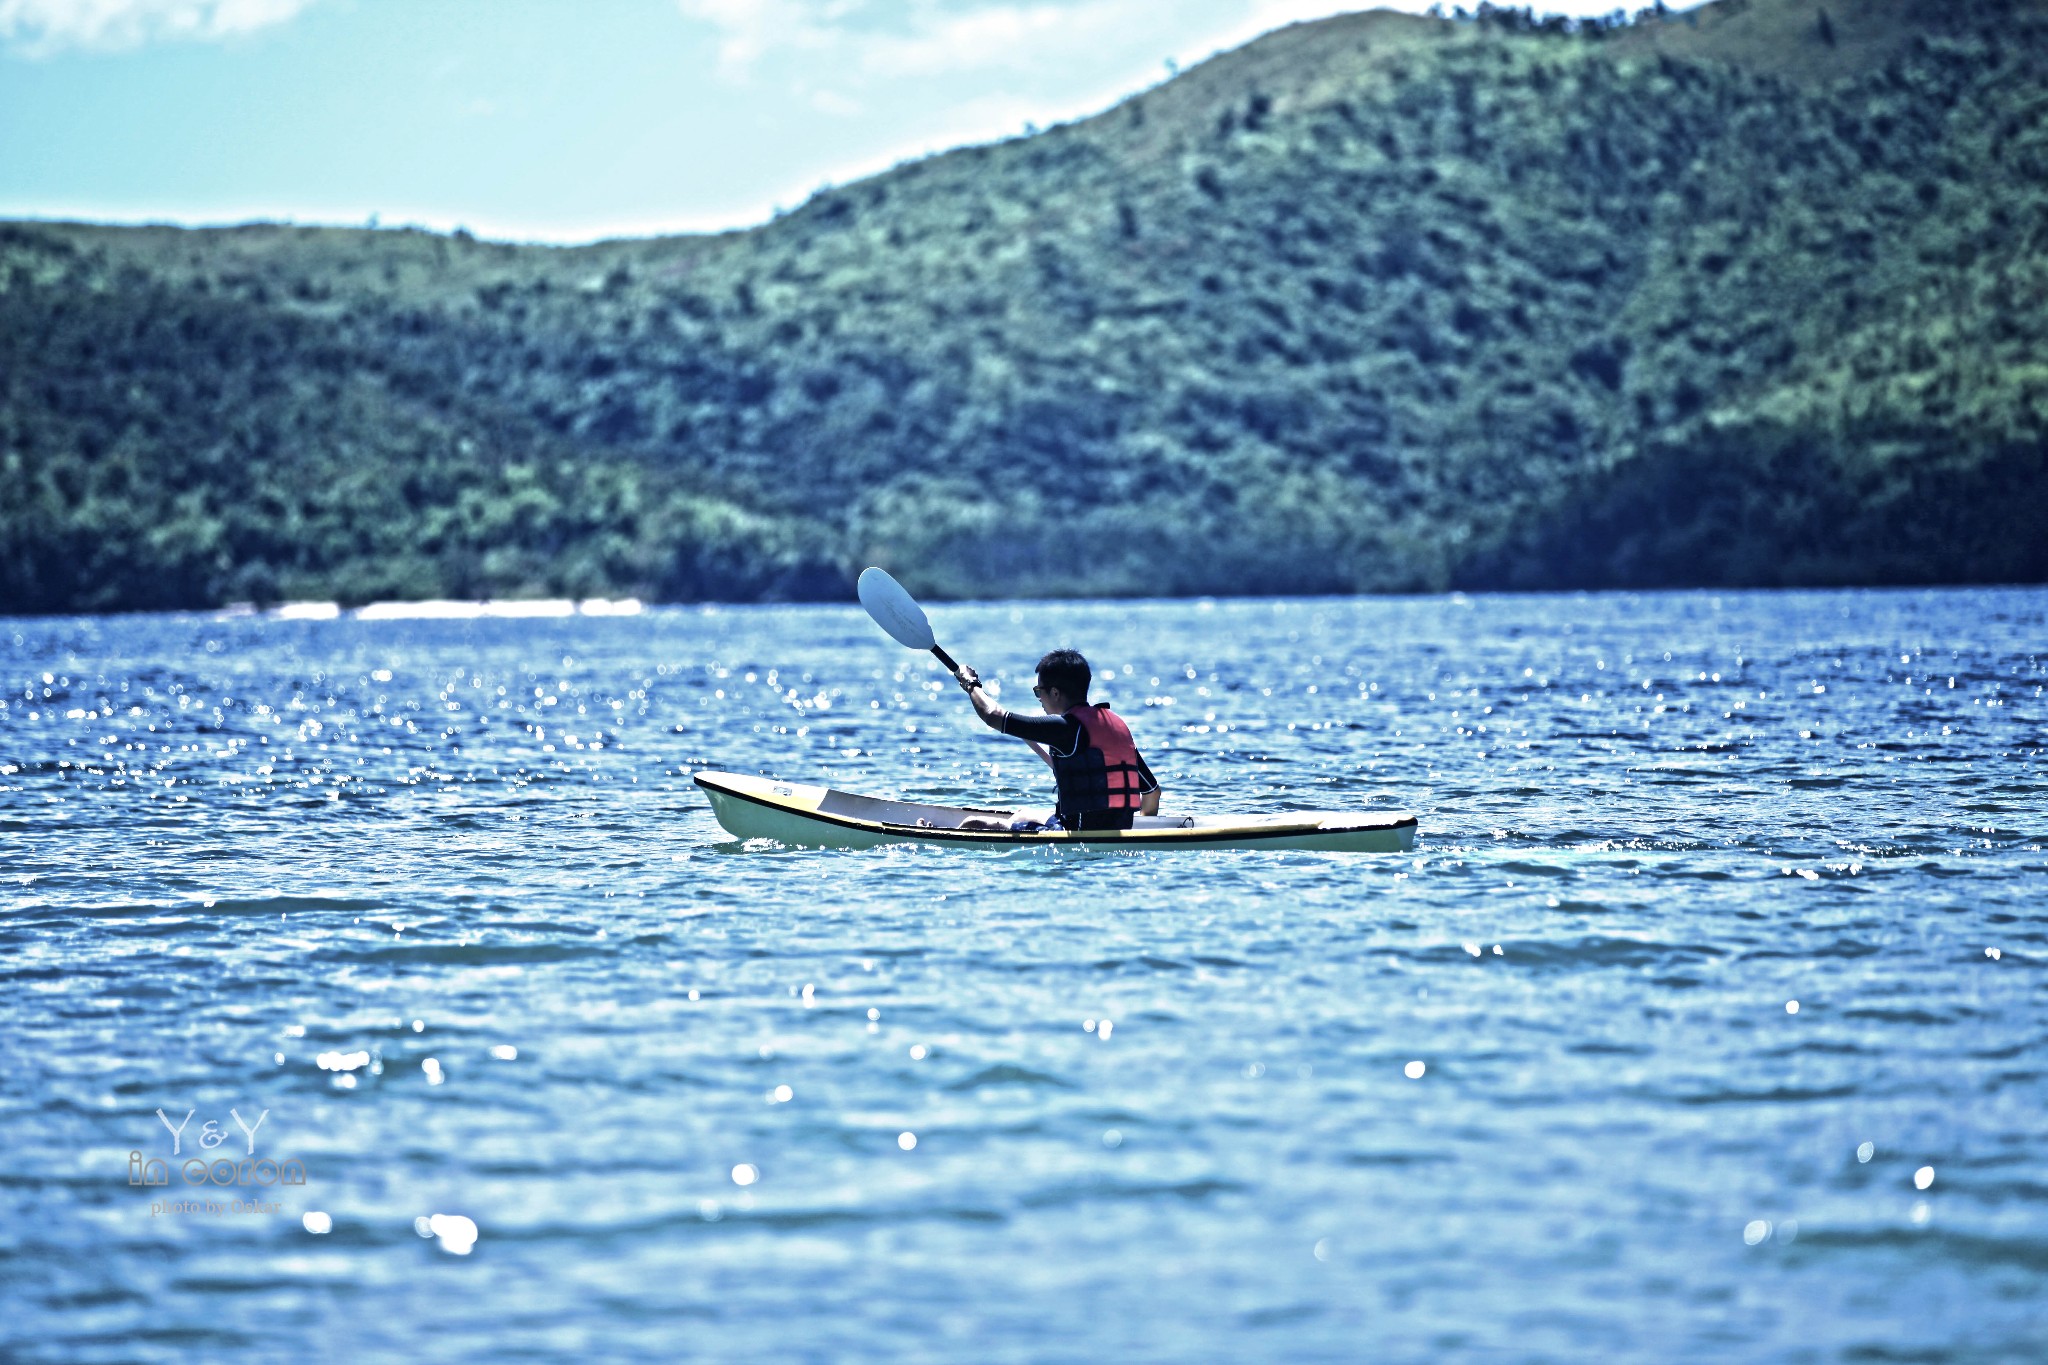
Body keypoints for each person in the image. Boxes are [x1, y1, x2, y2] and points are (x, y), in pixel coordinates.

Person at [953, 648, 1161, 831]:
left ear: (1054, 693)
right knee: (1023, 814)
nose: (1039, 698)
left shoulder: (1065, 728)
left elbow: (992, 716)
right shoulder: (1116, 729)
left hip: (1074, 835)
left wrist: (971, 683)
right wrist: (1133, 834)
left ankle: (933, 830)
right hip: (1119, 831)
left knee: (974, 823)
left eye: (1038, 691)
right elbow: (1152, 794)